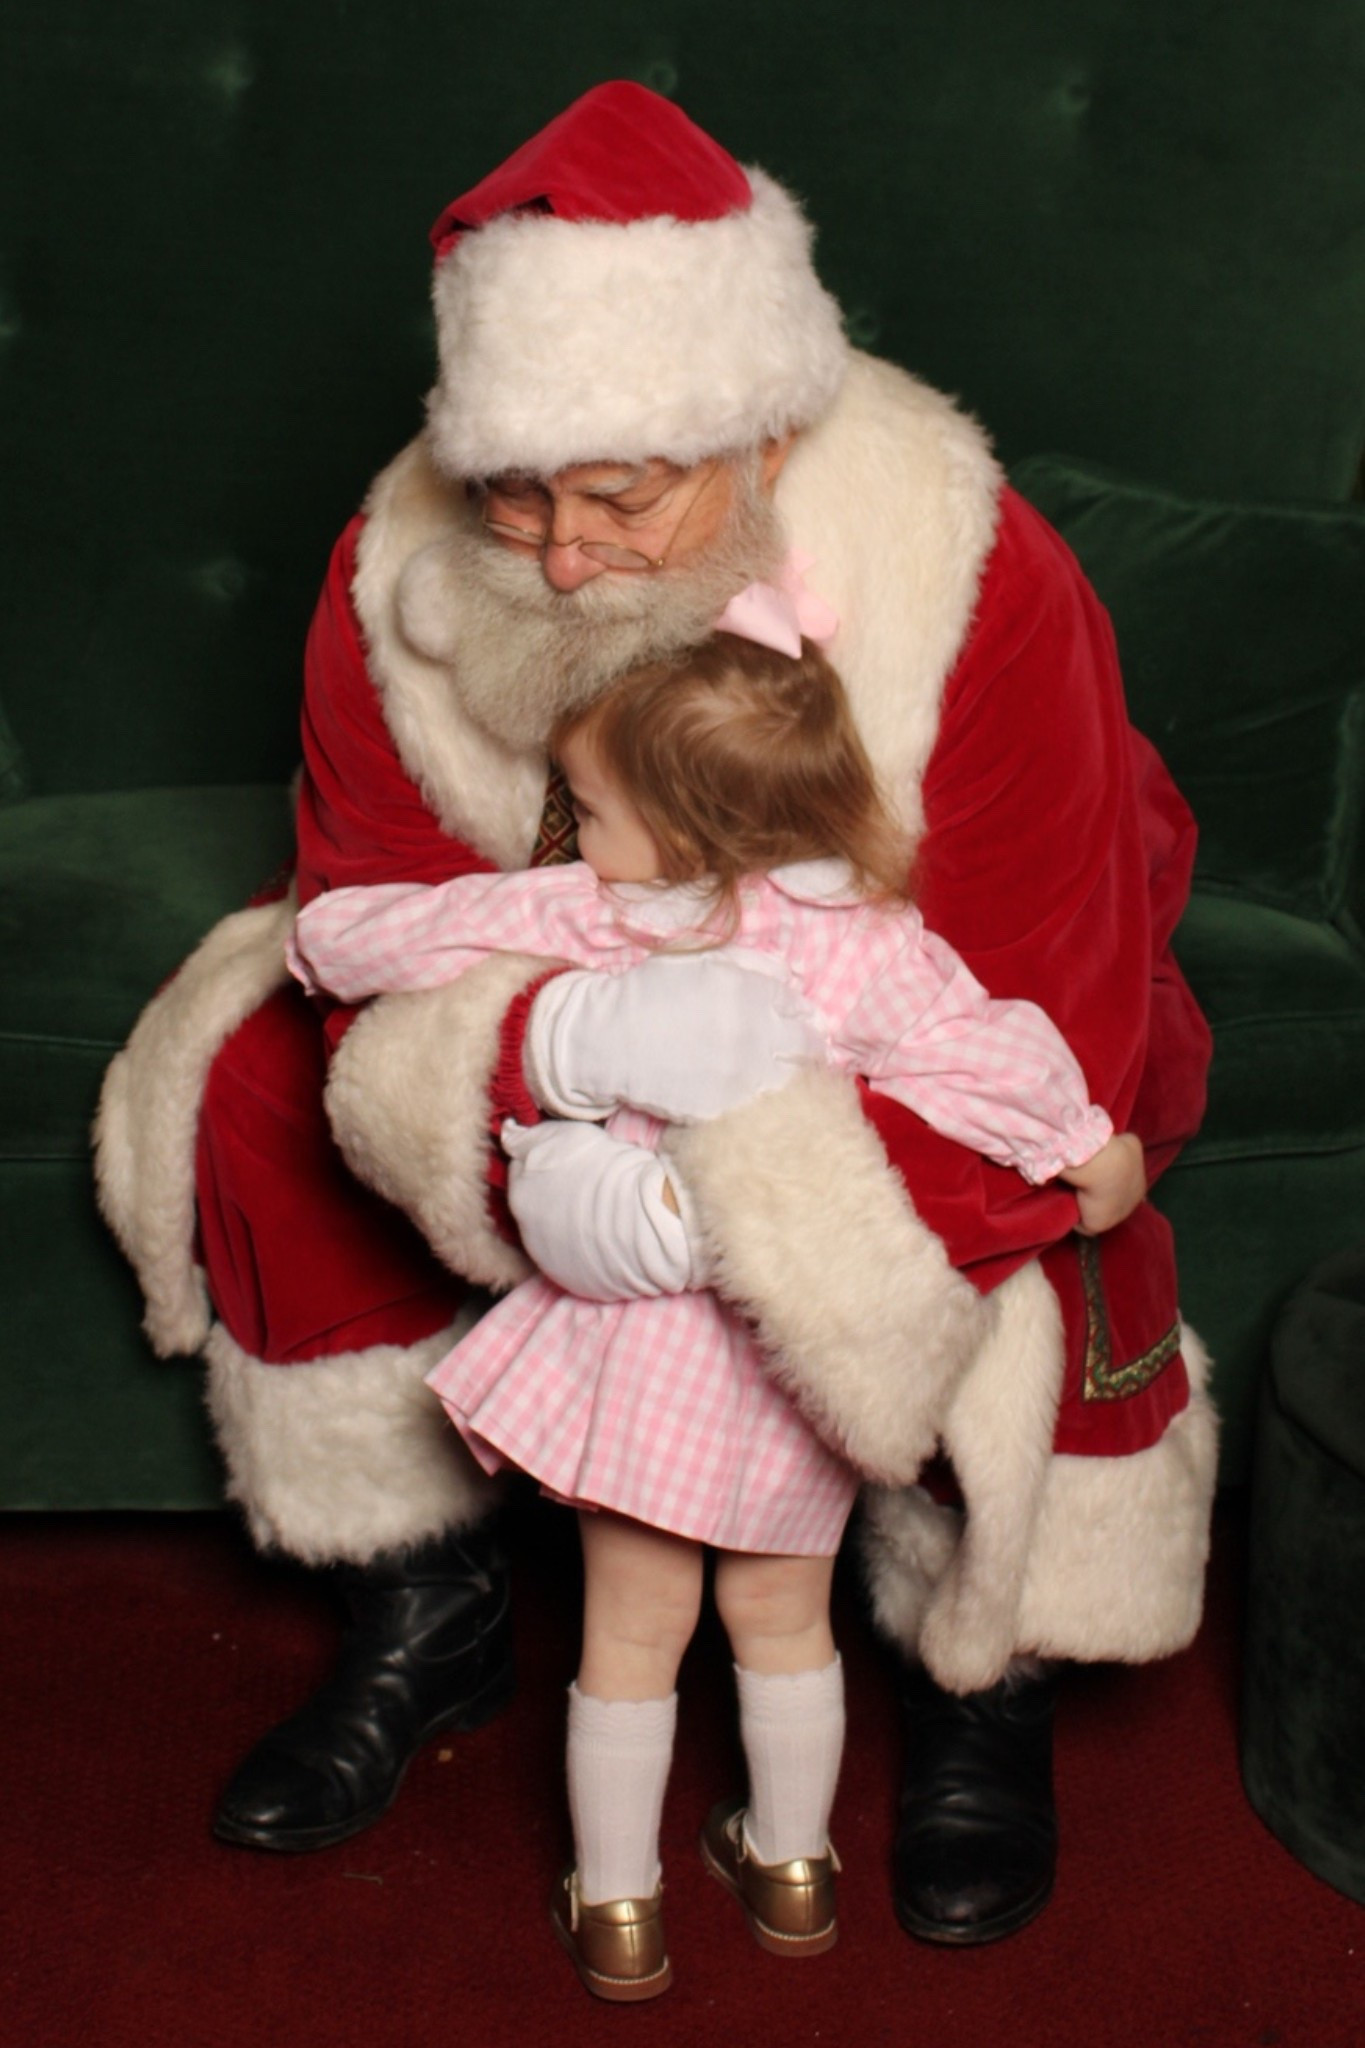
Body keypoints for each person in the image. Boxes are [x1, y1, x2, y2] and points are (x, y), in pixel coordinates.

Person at [94, 81, 1216, 1949]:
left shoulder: (976, 562)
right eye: (515, 491)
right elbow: (368, 881)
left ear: (760, 431)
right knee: (259, 1095)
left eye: (620, 496)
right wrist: (546, 1082)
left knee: (1060, 1197)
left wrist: (745, 1227)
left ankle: (977, 1664)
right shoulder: (395, 557)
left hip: (921, 987)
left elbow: (1041, 978)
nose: (553, 557)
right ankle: (424, 1609)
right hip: (575, 984)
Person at [288, 623, 1147, 1998]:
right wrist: (1087, 1146)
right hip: (789, 1362)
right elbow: (986, 1053)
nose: (578, 838)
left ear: (688, 831)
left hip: (633, 1351)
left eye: (601, 812)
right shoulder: (874, 949)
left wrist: (328, 942)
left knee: (629, 1637)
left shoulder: (606, 911)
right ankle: (789, 1866)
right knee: (783, 1624)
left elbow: (421, 925)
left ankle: (617, 1904)